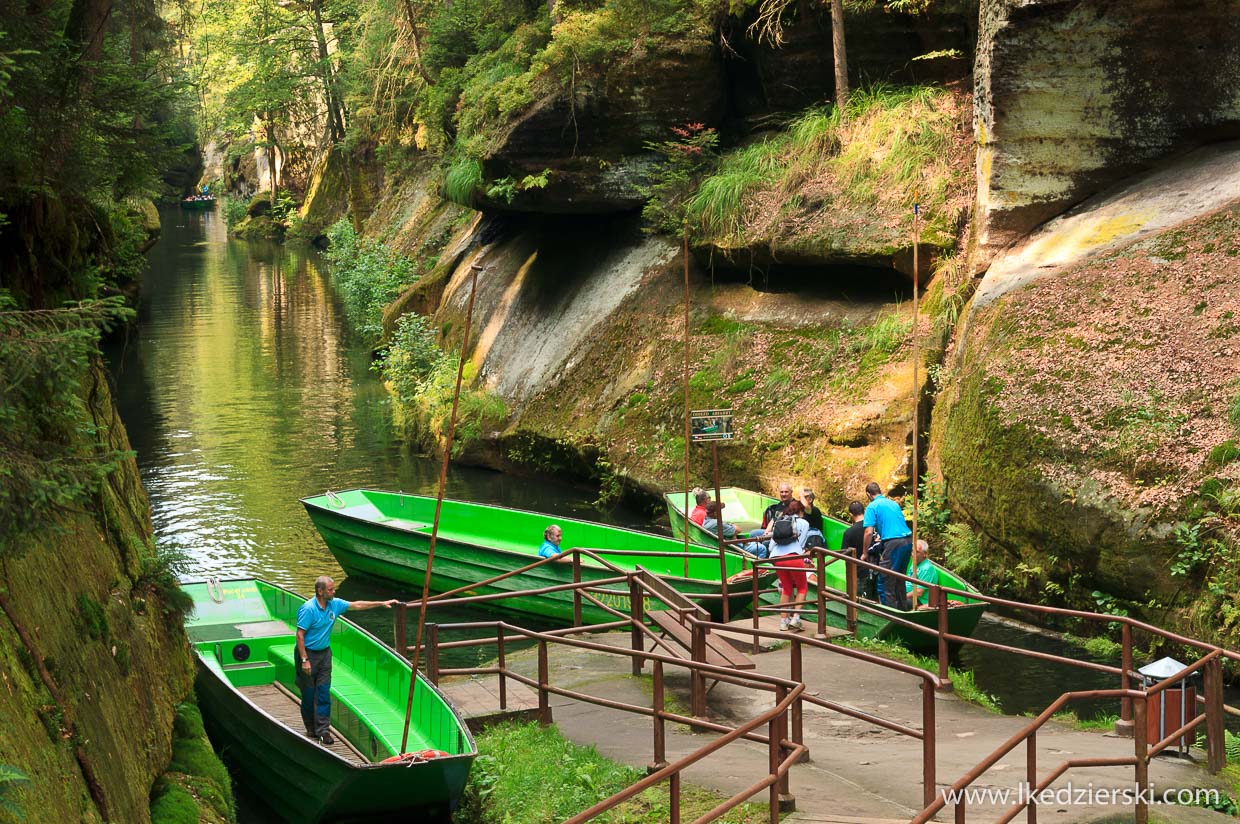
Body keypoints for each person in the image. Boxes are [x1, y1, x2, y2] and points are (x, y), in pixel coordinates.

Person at [296, 576, 398, 746]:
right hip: (307, 654)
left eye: (333, 589)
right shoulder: (308, 609)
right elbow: (299, 635)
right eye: (330, 589)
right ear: (320, 591)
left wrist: (381, 603)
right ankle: (310, 729)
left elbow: (357, 604)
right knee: (308, 694)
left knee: (323, 692)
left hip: (324, 654)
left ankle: (323, 731)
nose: (333, 592)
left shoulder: (334, 604)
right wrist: (304, 659)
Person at [862, 482, 913, 611]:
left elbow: (868, 532)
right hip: (907, 541)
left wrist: (865, 552)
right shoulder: (893, 503)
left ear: (868, 494)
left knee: (885, 580)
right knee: (899, 578)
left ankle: (889, 614)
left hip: (893, 542)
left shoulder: (872, 506)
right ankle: (902, 609)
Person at [767, 500, 810, 631]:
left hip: (777, 557)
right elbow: (801, 544)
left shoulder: (780, 520)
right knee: (802, 587)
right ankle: (795, 618)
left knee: (786, 588)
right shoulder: (804, 523)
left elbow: (771, 545)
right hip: (794, 556)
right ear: (801, 511)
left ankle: (783, 622)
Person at [839, 500, 870, 597]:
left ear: (851, 515)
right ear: (864, 511)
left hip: (857, 571)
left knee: (857, 598)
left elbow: (843, 553)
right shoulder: (872, 527)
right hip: (875, 568)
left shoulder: (849, 532)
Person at [905, 540, 940, 609]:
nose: (913, 554)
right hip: (909, 594)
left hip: (920, 600)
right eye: (912, 551)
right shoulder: (914, 563)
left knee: (898, 601)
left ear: (925, 554)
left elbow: (919, 592)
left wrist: (903, 596)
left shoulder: (927, 569)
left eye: (916, 552)